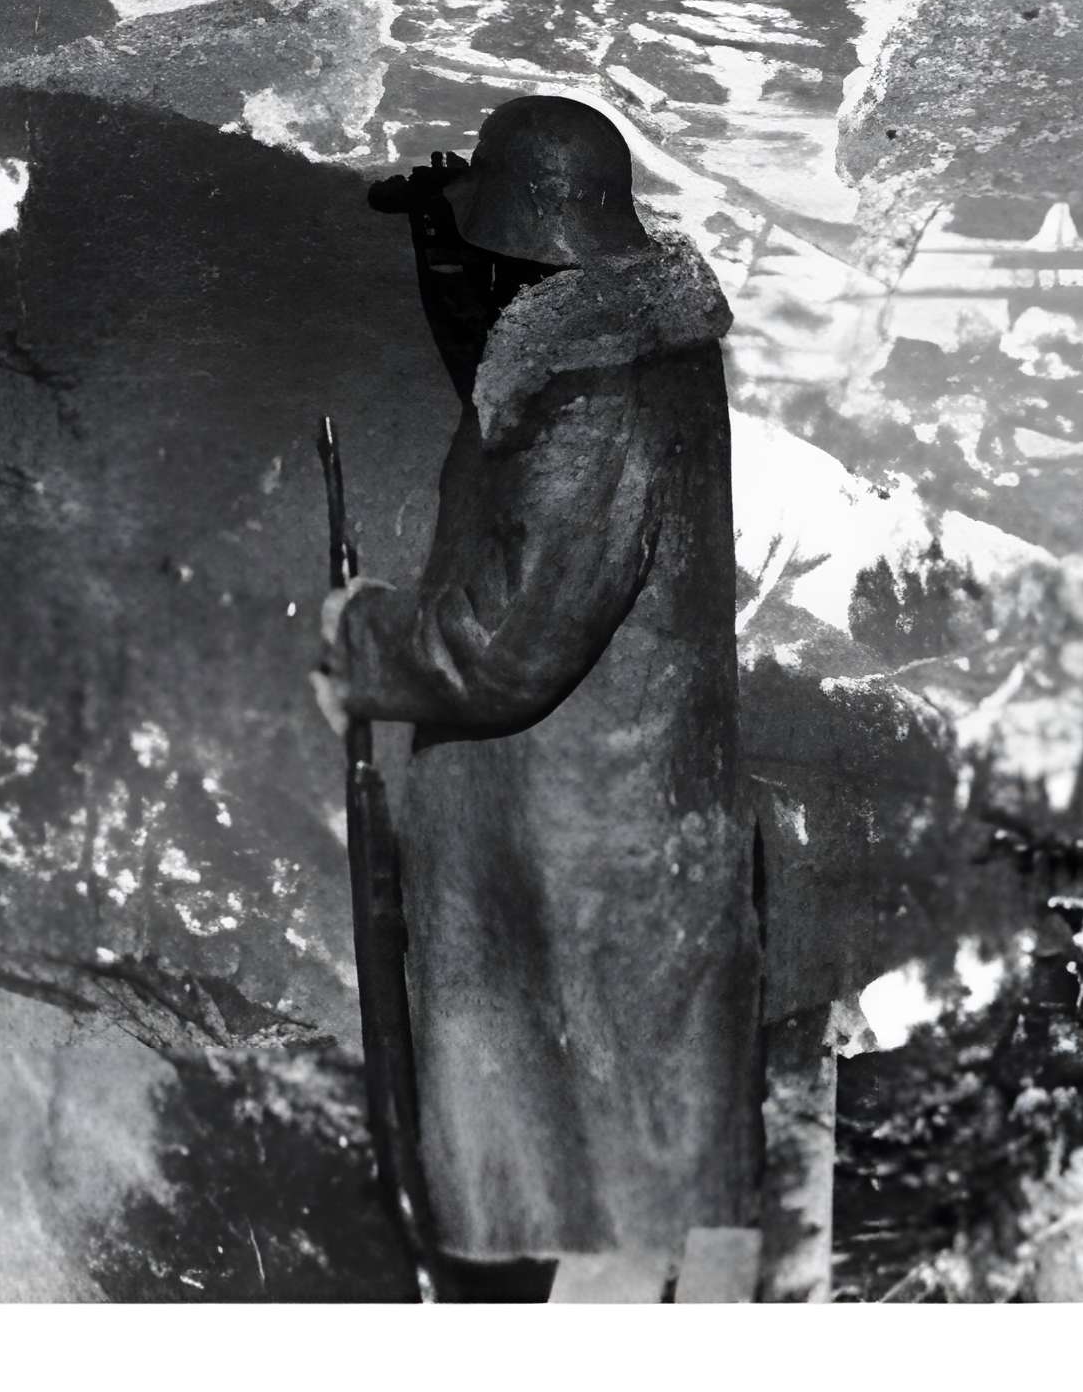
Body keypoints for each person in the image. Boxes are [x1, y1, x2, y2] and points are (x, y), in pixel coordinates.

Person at [314, 94, 759, 1280]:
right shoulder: (638, 341)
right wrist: (445, 263)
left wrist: (362, 643)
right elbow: (514, 382)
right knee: (643, 1198)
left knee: (597, 1217)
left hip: (572, 865)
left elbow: (502, 642)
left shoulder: (597, 398)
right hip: (624, 839)